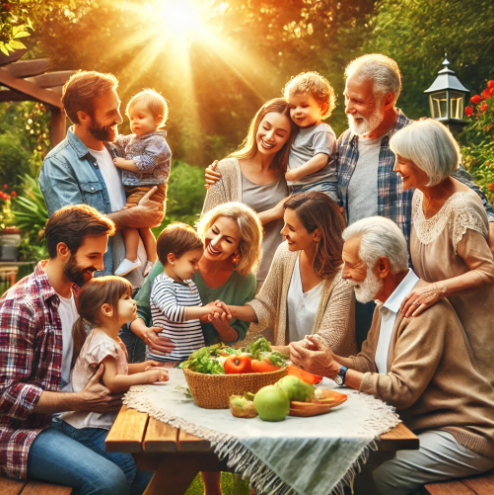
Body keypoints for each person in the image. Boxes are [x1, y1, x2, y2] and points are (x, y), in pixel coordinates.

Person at [290, 217, 494, 495]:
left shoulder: (421, 311)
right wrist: (331, 359)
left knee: (382, 476)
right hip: (423, 427)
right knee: (348, 463)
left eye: (351, 264)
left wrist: (334, 371)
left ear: (382, 266)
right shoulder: (385, 303)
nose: (345, 274)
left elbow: (402, 390)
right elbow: (368, 364)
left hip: (463, 434)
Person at [336, 53, 494, 346]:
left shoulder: (417, 141)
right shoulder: (345, 143)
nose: (348, 108)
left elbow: (473, 198)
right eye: (347, 98)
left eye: (357, 100)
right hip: (362, 282)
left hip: (410, 287)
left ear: (387, 99)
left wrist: (488, 233)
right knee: (369, 361)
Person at [0, 205, 151, 494]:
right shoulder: (21, 306)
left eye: (102, 255)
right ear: (63, 250)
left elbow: (110, 324)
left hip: (78, 420)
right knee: (108, 480)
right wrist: (80, 400)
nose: (99, 265)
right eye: (92, 256)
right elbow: (5, 393)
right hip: (28, 430)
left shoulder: (81, 291)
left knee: (148, 470)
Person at [39, 70, 164, 362]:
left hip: (142, 288)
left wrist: (152, 210)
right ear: (83, 116)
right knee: (112, 390)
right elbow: (73, 231)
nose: (120, 118)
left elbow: (148, 193)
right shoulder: (60, 164)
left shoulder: (120, 149)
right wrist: (134, 215)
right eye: (111, 112)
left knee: (143, 385)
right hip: (104, 300)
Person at [391, 119, 494, 382]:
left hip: (472, 330)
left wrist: (437, 290)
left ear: (425, 161)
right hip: (438, 324)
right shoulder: (418, 195)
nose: (395, 168)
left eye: (402, 161)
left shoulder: (461, 206)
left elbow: (487, 271)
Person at [61, 276, 168, 490]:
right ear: (108, 310)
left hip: (98, 422)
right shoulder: (103, 344)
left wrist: (144, 366)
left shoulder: (110, 339)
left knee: (143, 461)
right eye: (127, 298)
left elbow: (120, 370)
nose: (133, 301)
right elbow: (112, 381)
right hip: (86, 425)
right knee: (126, 466)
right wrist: (145, 377)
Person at [226, 192, 356, 356]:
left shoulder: (343, 277)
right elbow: (266, 306)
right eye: (284, 224)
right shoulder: (285, 253)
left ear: (317, 234)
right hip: (290, 369)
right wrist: (230, 311)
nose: (283, 231)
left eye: (291, 228)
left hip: (330, 376)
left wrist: (269, 352)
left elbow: (329, 341)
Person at [130, 202, 262, 355]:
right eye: (215, 231)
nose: (214, 242)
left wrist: (223, 327)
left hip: (206, 366)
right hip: (163, 358)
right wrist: (146, 333)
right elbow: (137, 311)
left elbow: (234, 337)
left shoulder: (245, 281)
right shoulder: (173, 259)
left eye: (228, 240)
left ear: (241, 248)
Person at [202, 98, 297, 289]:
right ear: (257, 124)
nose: (270, 137)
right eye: (266, 127)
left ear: (289, 139)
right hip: (232, 279)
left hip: (277, 278)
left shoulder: (292, 176)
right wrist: (274, 213)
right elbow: (206, 228)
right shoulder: (224, 170)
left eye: (280, 133)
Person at [113, 89, 172, 277]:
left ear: (157, 119)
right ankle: (153, 261)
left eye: (140, 117)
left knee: (129, 218)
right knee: (142, 227)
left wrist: (123, 163)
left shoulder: (158, 142)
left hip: (150, 188)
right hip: (139, 188)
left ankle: (131, 258)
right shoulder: (134, 139)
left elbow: (146, 164)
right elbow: (118, 141)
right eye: (131, 118)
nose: (134, 122)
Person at [149, 223, 224, 362]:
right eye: (192, 262)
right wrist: (204, 310)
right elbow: (174, 313)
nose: (197, 267)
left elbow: (195, 315)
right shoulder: (163, 285)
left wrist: (208, 314)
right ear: (171, 259)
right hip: (168, 360)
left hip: (189, 358)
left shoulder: (190, 285)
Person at [283, 71, 339, 203]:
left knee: (317, 220)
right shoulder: (297, 132)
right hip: (300, 189)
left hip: (321, 188)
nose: (297, 111)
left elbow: (321, 159)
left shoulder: (322, 131)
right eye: (293, 106)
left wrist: (296, 173)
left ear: (322, 108)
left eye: (304, 106)